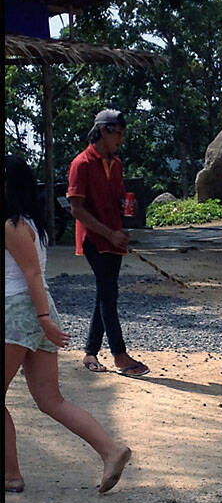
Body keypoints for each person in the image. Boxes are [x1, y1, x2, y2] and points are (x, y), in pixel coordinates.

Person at [4, 154, 131, 493]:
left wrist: (43, 319)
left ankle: (10, 475)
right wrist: (44, 318)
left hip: (19, 313)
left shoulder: (12, 225)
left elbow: (31, 274)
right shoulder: (31, 223)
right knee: (51, 400)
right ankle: (111, 450)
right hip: (36, 311)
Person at [67, 109, 150, 377]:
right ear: (104, 130)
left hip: (114, 237)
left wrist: (127, 211)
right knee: (108, 294)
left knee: (105, 293)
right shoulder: (81, 164)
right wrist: (109, 233)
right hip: (94, 238)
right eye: (119, 134)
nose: (121, 141)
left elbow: (117, 199)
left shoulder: (117, 164)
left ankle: (90, 352)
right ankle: (120, 355)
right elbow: (76, 209)